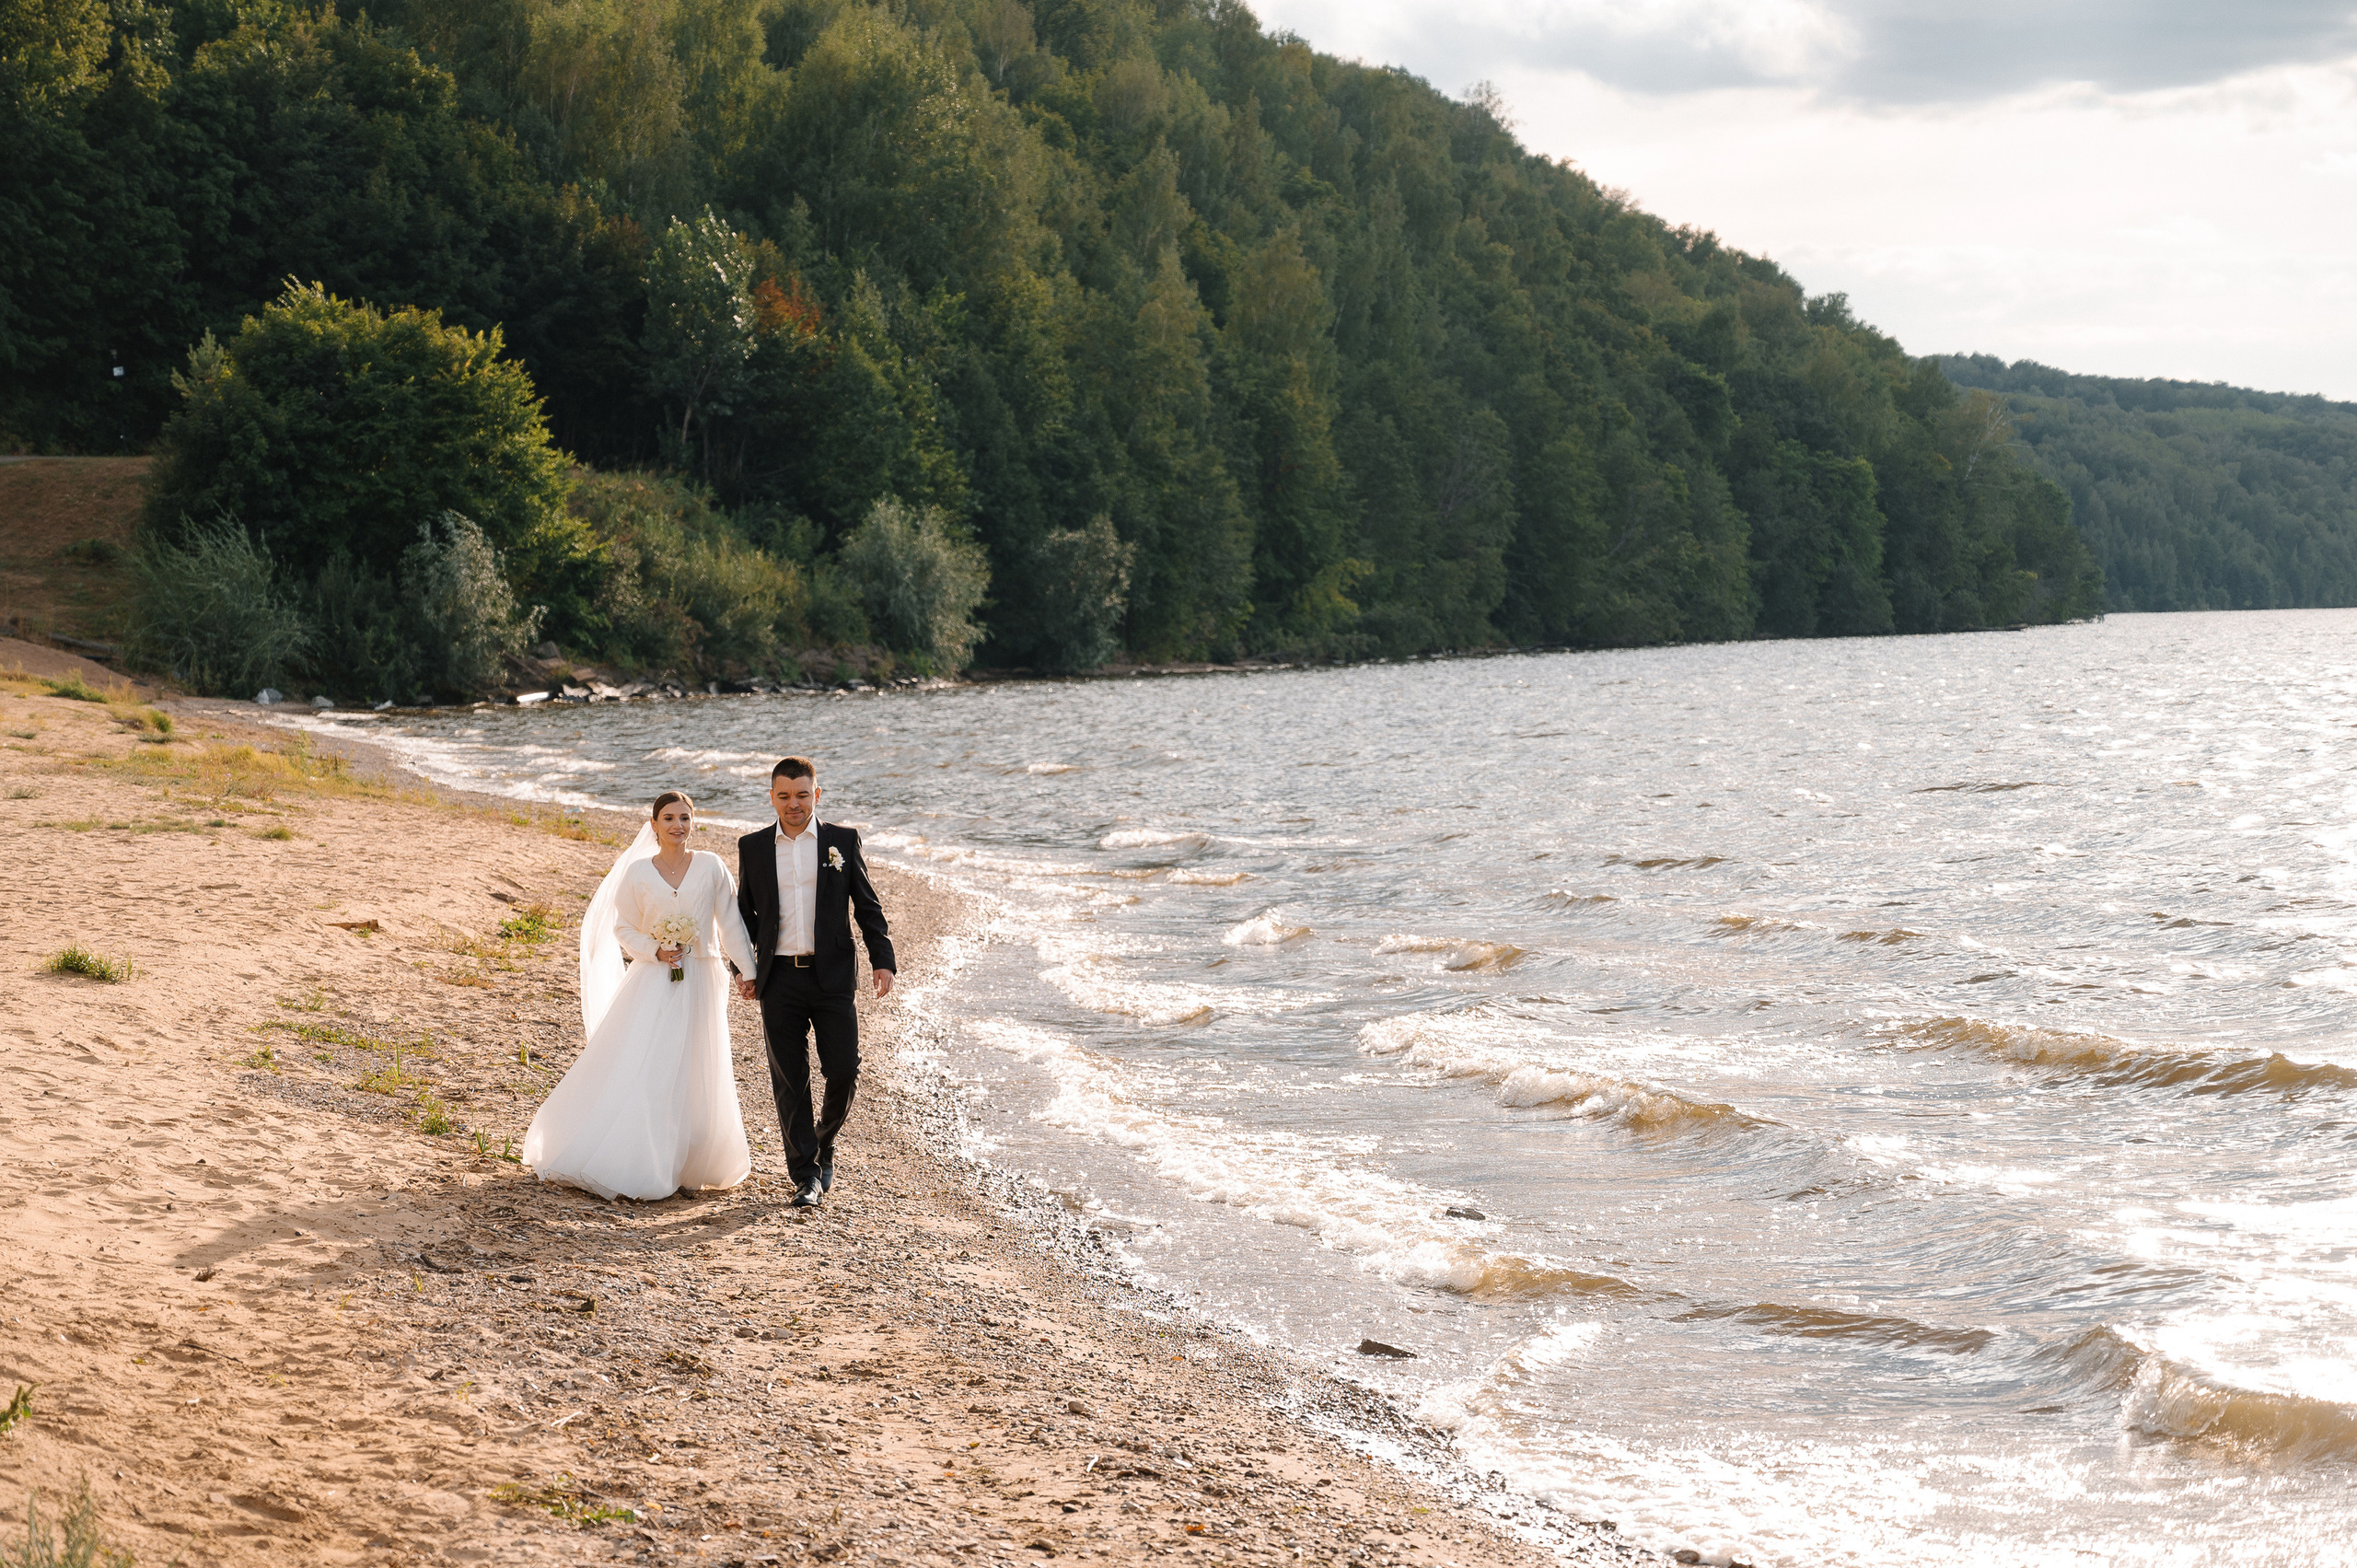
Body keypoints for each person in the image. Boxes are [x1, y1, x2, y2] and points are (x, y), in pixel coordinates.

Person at [523, 791, 758, 1201]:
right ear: (653, 825)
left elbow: (731, 925)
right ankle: (645, 1160)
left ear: (694, 822)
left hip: (702, 978)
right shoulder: (637, 874)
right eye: (668, 818)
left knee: (699, 1066)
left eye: (685, 818)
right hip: (654, 982)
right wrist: (655, 950)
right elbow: (623, 929)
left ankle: (692, 1163)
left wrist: (748, 973)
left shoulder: (711, 866)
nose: (677, 826)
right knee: (655, 1062)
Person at [736, 756, 895, 1208]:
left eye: (802, 794)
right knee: (791, 1079)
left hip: (833, 977)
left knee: (843, 1070)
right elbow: (742, 915)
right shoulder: (752, 847)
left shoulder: (841, 841)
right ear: (772, 798)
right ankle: (805, 1175)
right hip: (779, 978)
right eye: (784, 796)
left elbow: (867, 905)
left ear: (816, 795)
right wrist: (743, 969)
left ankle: (824, 1141)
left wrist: (883, 959)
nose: (794, 804)